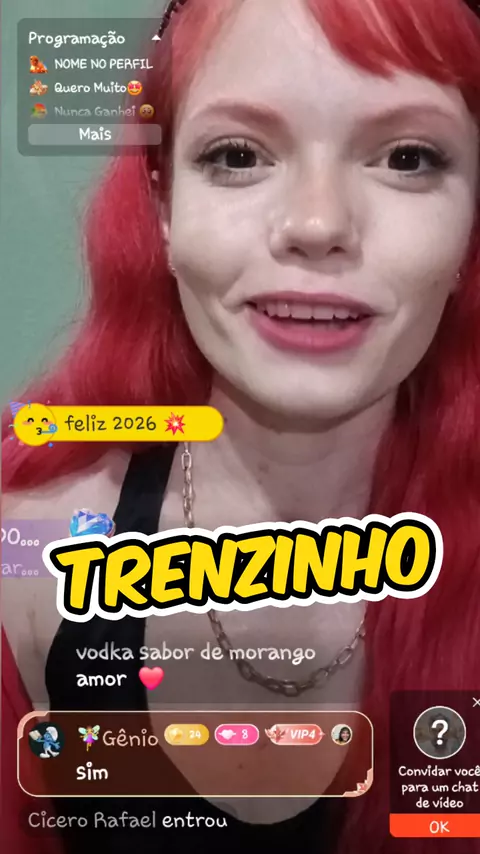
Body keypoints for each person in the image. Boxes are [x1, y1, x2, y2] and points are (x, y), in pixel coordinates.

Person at [3, 0, 480, 851]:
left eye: (408, 157)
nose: (317, 226)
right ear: (161, 205)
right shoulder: (23, 555)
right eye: (238, 154)